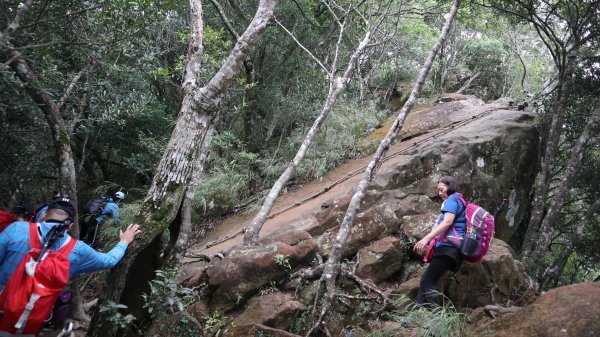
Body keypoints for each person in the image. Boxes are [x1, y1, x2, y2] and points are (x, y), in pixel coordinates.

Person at [0, 197, 141, 291]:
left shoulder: (16, 229)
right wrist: (124, 241)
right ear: (70, 226)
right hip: (28, 320)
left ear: (43, 215)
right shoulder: (77, 250)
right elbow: (108, 261)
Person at [413, 176, 466, 306]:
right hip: (452, 249)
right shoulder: (460, 200)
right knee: (426, 280)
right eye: (438, 190)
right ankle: (414, 313)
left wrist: (425, 239)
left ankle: (437, 316)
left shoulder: (452, 200)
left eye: (442, 189)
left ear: (450, 187)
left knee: (428, 281)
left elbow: (447, 222)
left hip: (448, 248)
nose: (440, 193)